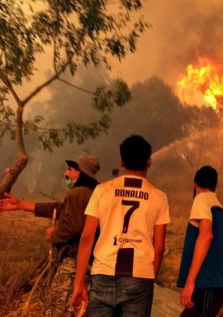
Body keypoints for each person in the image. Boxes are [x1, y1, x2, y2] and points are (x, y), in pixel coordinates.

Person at [71, 135, 171, 316]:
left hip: (102, 273)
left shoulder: (102, 190)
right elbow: (159, 248)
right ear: (149, 162)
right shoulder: (159, 196)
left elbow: (87, 237)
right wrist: (149, 278)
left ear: (121, 161)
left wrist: (79, 283)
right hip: (139, 277)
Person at [0, 154, 100, 317]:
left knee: (60, 306)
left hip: (73, 260)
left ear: (81, 172)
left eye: (70, 170)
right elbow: (60, 208)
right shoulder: (92, 193)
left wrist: (53, 234)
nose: (65, 173)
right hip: (87, 261)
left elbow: (72, 228)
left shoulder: (78, 193)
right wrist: (20, 204)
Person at [177, 166, 223, 317]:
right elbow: (219, 242)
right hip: (216, 284)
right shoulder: (218, 206)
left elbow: (206, 236)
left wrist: (190, 281)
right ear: (215, 185)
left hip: (206, 283)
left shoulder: (201, 199)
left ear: (194, 183)